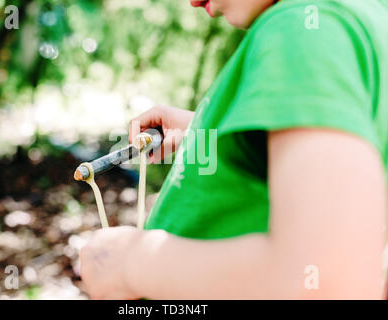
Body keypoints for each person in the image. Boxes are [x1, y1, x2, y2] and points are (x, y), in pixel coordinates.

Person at [79, 0, 388, 299]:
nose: (193, 2)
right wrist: (209, 134)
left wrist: (128, 265)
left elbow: (324, 279)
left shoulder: (302, 29)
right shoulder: (363, 19)